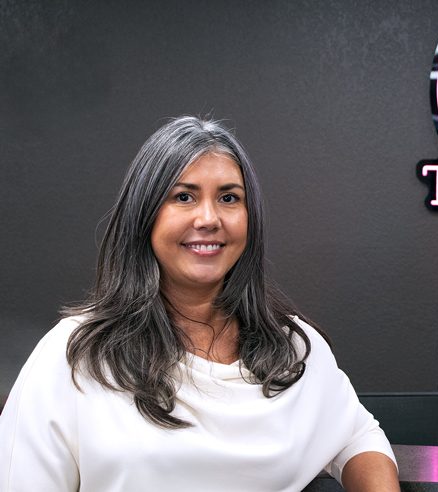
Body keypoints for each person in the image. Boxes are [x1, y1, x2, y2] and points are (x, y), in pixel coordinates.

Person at [0, 116, 399, 491]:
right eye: (184, 196)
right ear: (144, 215)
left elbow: (358, 436)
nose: (209, 218)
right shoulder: (75, 353)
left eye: (228, 197)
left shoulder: (292, 347)